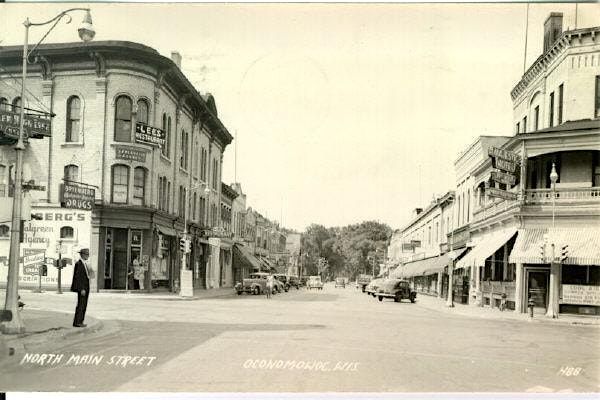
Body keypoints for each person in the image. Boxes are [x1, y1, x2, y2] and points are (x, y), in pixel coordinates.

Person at [71, 248, 94, 327]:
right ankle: (78, 322)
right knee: (81, 305)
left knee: (83, 305)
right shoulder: (79, 264)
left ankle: (80, 321)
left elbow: (89, 275)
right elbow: (78, 278)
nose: (88, 256)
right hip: (82, 288)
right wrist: (81, 289)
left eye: (88, 254)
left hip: (86, 287)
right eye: (87, 254)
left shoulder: (85, 263)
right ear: (83, 255)